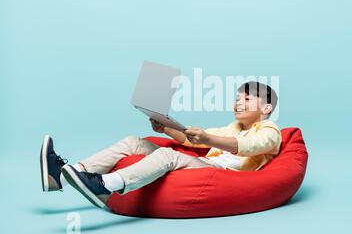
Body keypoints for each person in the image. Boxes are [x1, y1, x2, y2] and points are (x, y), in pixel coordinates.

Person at [40, 81, 281, 210]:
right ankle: (63, 176)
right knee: (133, 142)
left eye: (247, 99)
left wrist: (207, 139)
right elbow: (192, 140)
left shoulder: (271, 131)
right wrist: (165, 127)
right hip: (204, 163)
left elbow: (249, 146)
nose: (238, 103)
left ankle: (105, 185)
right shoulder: (232, 128)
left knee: (168, 154)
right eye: (237, 99)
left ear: (266, 108)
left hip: (222, 175)